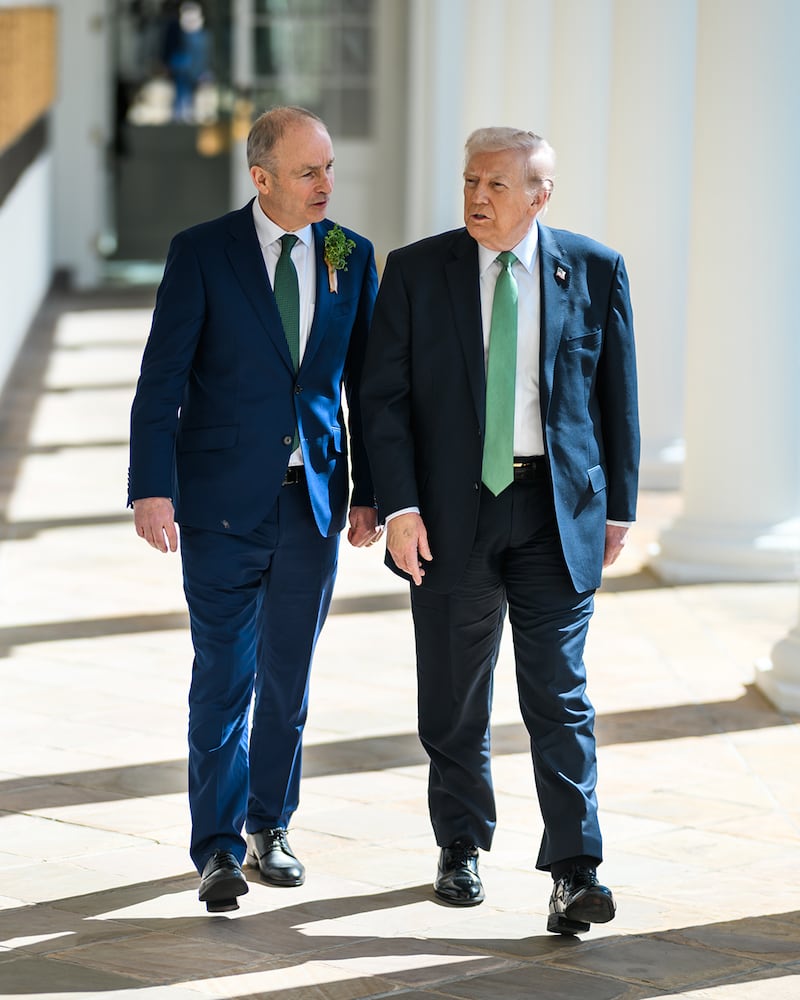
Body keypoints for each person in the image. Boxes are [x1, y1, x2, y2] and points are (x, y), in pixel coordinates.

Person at [361, 127, 639, 935]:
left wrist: (616, 506)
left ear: (539, 195)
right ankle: (460, 844)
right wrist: (400, 507)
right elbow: (383, 402)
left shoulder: (593, 268)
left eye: (496, 185)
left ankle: (577, 869)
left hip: (556, 515)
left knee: (559, 693)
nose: (477, 198)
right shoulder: (416, 271)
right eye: (470, 182)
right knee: (453, 695)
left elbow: (616, 398)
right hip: (450, 516)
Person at [128, 105, 380, 912]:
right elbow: (162, 376)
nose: (325, 185)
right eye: (308, 172)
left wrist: (372, 491)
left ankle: (271, 826)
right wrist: (150, 484)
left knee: (288, 680)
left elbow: (370, 388)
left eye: (330, 167)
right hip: (220, 508)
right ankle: (217, 848)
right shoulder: (202, 252)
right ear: (261, 177)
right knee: (224, 676)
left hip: (311, 505)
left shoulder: (349, 253)